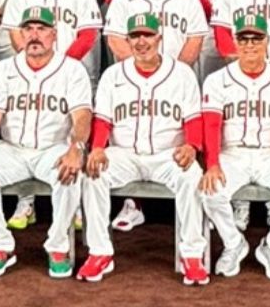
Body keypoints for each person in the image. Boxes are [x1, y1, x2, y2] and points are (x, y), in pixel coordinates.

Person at [78, 14, 209, 285]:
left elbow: (194, 119)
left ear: (159, 38)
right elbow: (102, 119)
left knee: (191, 175)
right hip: (125, 154)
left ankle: (192, 254)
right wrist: (98, 148)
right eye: (135, 36)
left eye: (147, 35)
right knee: (93, 173)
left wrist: (192, 146)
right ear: (127, 40)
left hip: (167, 154)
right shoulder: (113, 75)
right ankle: (100, 252)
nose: (141, 41)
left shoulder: (182, 74)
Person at [0, 7, 93, 279]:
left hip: (54, 147)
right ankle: (1, 246)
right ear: (21, 34)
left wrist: (76, 148)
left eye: (42, 29)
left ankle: (57, 246)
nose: (35, 35)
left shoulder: (72, 69)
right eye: (29, 29)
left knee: (69, 172)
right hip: (12, 148)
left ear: (54, 34)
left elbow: (83, 116)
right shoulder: (4, 69)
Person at [0, 0, 103, 231]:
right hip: (29, 72)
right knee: (26, 129)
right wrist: (33, 61)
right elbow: (15, 33)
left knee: (74, 134)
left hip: (74, 71)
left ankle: (78, 204)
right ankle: (26, 200)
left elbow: (87, 33)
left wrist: (61, 64)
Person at [198, 14, 270, 281]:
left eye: (256, 38)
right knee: (210, 193)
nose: (250, 44)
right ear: (236, 42)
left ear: (267, 42)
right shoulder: (217, 79)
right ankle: (234, 243)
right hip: (231, 154)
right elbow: (211, 126)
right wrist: (212, 164)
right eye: (244, 39)